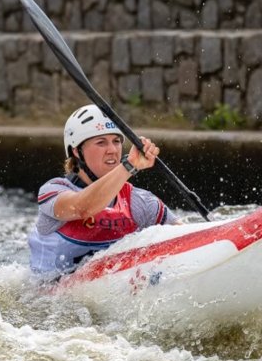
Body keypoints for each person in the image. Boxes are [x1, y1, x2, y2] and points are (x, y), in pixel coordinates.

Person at [28, 104, 179, 276]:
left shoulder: (140, 202)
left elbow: (185, 238)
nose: (113, 150)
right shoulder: (52, 192)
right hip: (46, 298)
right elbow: (82, 208)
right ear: (77, 152)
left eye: (116, 141)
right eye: (101, 142)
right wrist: (129, 166)